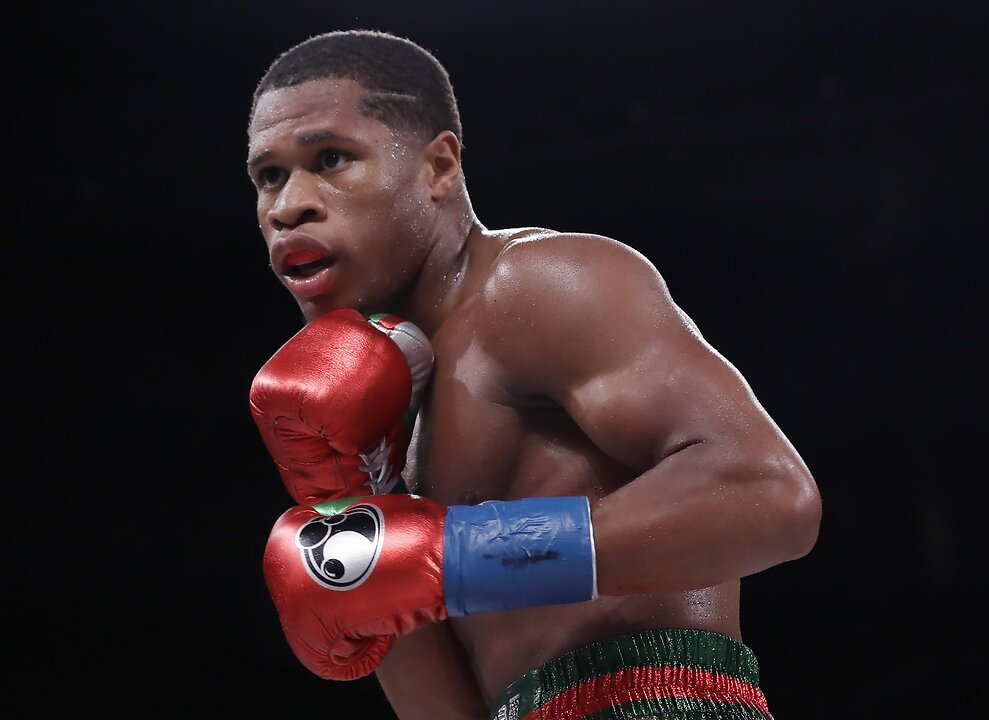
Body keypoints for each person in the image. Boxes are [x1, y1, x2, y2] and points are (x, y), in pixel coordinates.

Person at [245, 29, 821, 720]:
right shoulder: (381, 417)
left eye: (330, 158)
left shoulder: (536, 285)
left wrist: (464, 557)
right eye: (268, 176)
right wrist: (354, 501)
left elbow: (772, 497)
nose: (287, 206)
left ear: (439, 167)